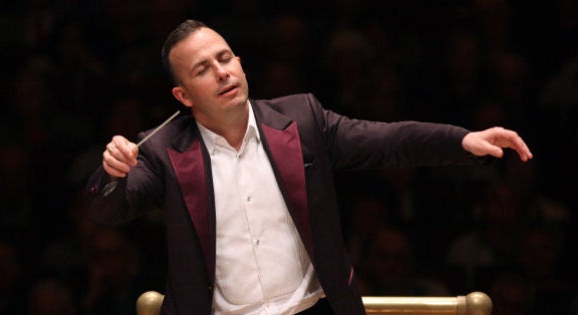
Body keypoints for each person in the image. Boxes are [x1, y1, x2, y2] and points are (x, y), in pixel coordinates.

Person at [85, 19, 533, 315]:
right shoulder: (163, 148)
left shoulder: (302, 119)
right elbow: (108, 212)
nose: (222, 72)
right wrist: (112, 174)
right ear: (183, 96)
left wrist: (462, 140)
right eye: (203, 69)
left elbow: (386, 141)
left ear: (240, 63)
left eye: (225, 58)